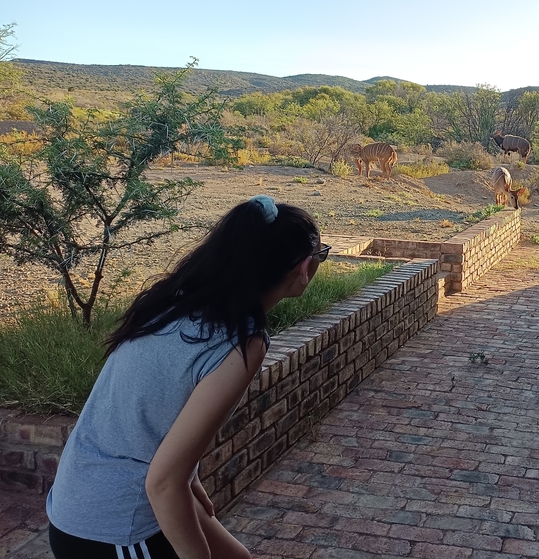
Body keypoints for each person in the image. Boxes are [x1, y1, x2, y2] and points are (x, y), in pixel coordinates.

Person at [46, 195, 328, 559]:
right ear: (304, 268)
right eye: (321, 255)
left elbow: (159, 405)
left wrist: (190, 477)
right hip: (116, 526)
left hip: (82, 497)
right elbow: (163, 483)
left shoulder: (174, 302)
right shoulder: (242, 343)